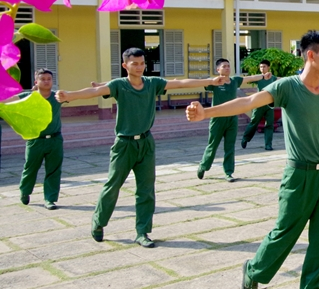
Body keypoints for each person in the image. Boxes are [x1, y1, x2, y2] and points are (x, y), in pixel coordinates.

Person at [187, 30, 319, 289]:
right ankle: (253, 270)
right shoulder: (287, 87)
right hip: (299, 175)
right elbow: (248, 102)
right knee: (284, 234)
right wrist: (207, 113)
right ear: (311, 55)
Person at [57, 48, 229, 248]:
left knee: (146, 190)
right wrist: (70, 95)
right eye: (134, 64)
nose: (139, 67)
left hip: (146, 143)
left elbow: (179, 83)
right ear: (125, 65)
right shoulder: (119, 85)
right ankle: (99, 223)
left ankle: (142, 232)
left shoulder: (152, 83)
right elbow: (95, 91)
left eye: (141, 63)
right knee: (112, 187)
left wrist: (209, 81)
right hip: (124, 145)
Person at [199, 58, 273, 182]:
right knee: (212, 146)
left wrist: (263, 76)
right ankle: (204, 166)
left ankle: (228, 172)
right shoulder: (215, 82)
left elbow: (249, 79)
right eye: (224, 66)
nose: (227, 68)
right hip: (217, 119)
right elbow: (202, 83)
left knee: (230, 146)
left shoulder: (234, 81)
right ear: (218, 69)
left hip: (232, 118)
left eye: (228, 66)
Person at [15, 69, 64, 209]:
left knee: (54, 170)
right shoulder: (28, 96)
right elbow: (8, 100)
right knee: (30, 168)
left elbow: (74, 96)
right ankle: (25, 191)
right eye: (43, 79)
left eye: (49, 78)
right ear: (36, 82)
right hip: (35, 140)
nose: (47, 81)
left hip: (55, 140)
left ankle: (50, 199)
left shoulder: (57, 97)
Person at [241, 60, 278, 151]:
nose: (262, 68)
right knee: (254, 122)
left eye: (264, 66)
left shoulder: (273, 78)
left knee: (269, 124)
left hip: (269, 104)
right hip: (259, 104)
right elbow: (248, 79)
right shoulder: (259, 78)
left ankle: (268, 144)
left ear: (268, 67)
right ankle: (246, 138)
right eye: (261, 67)